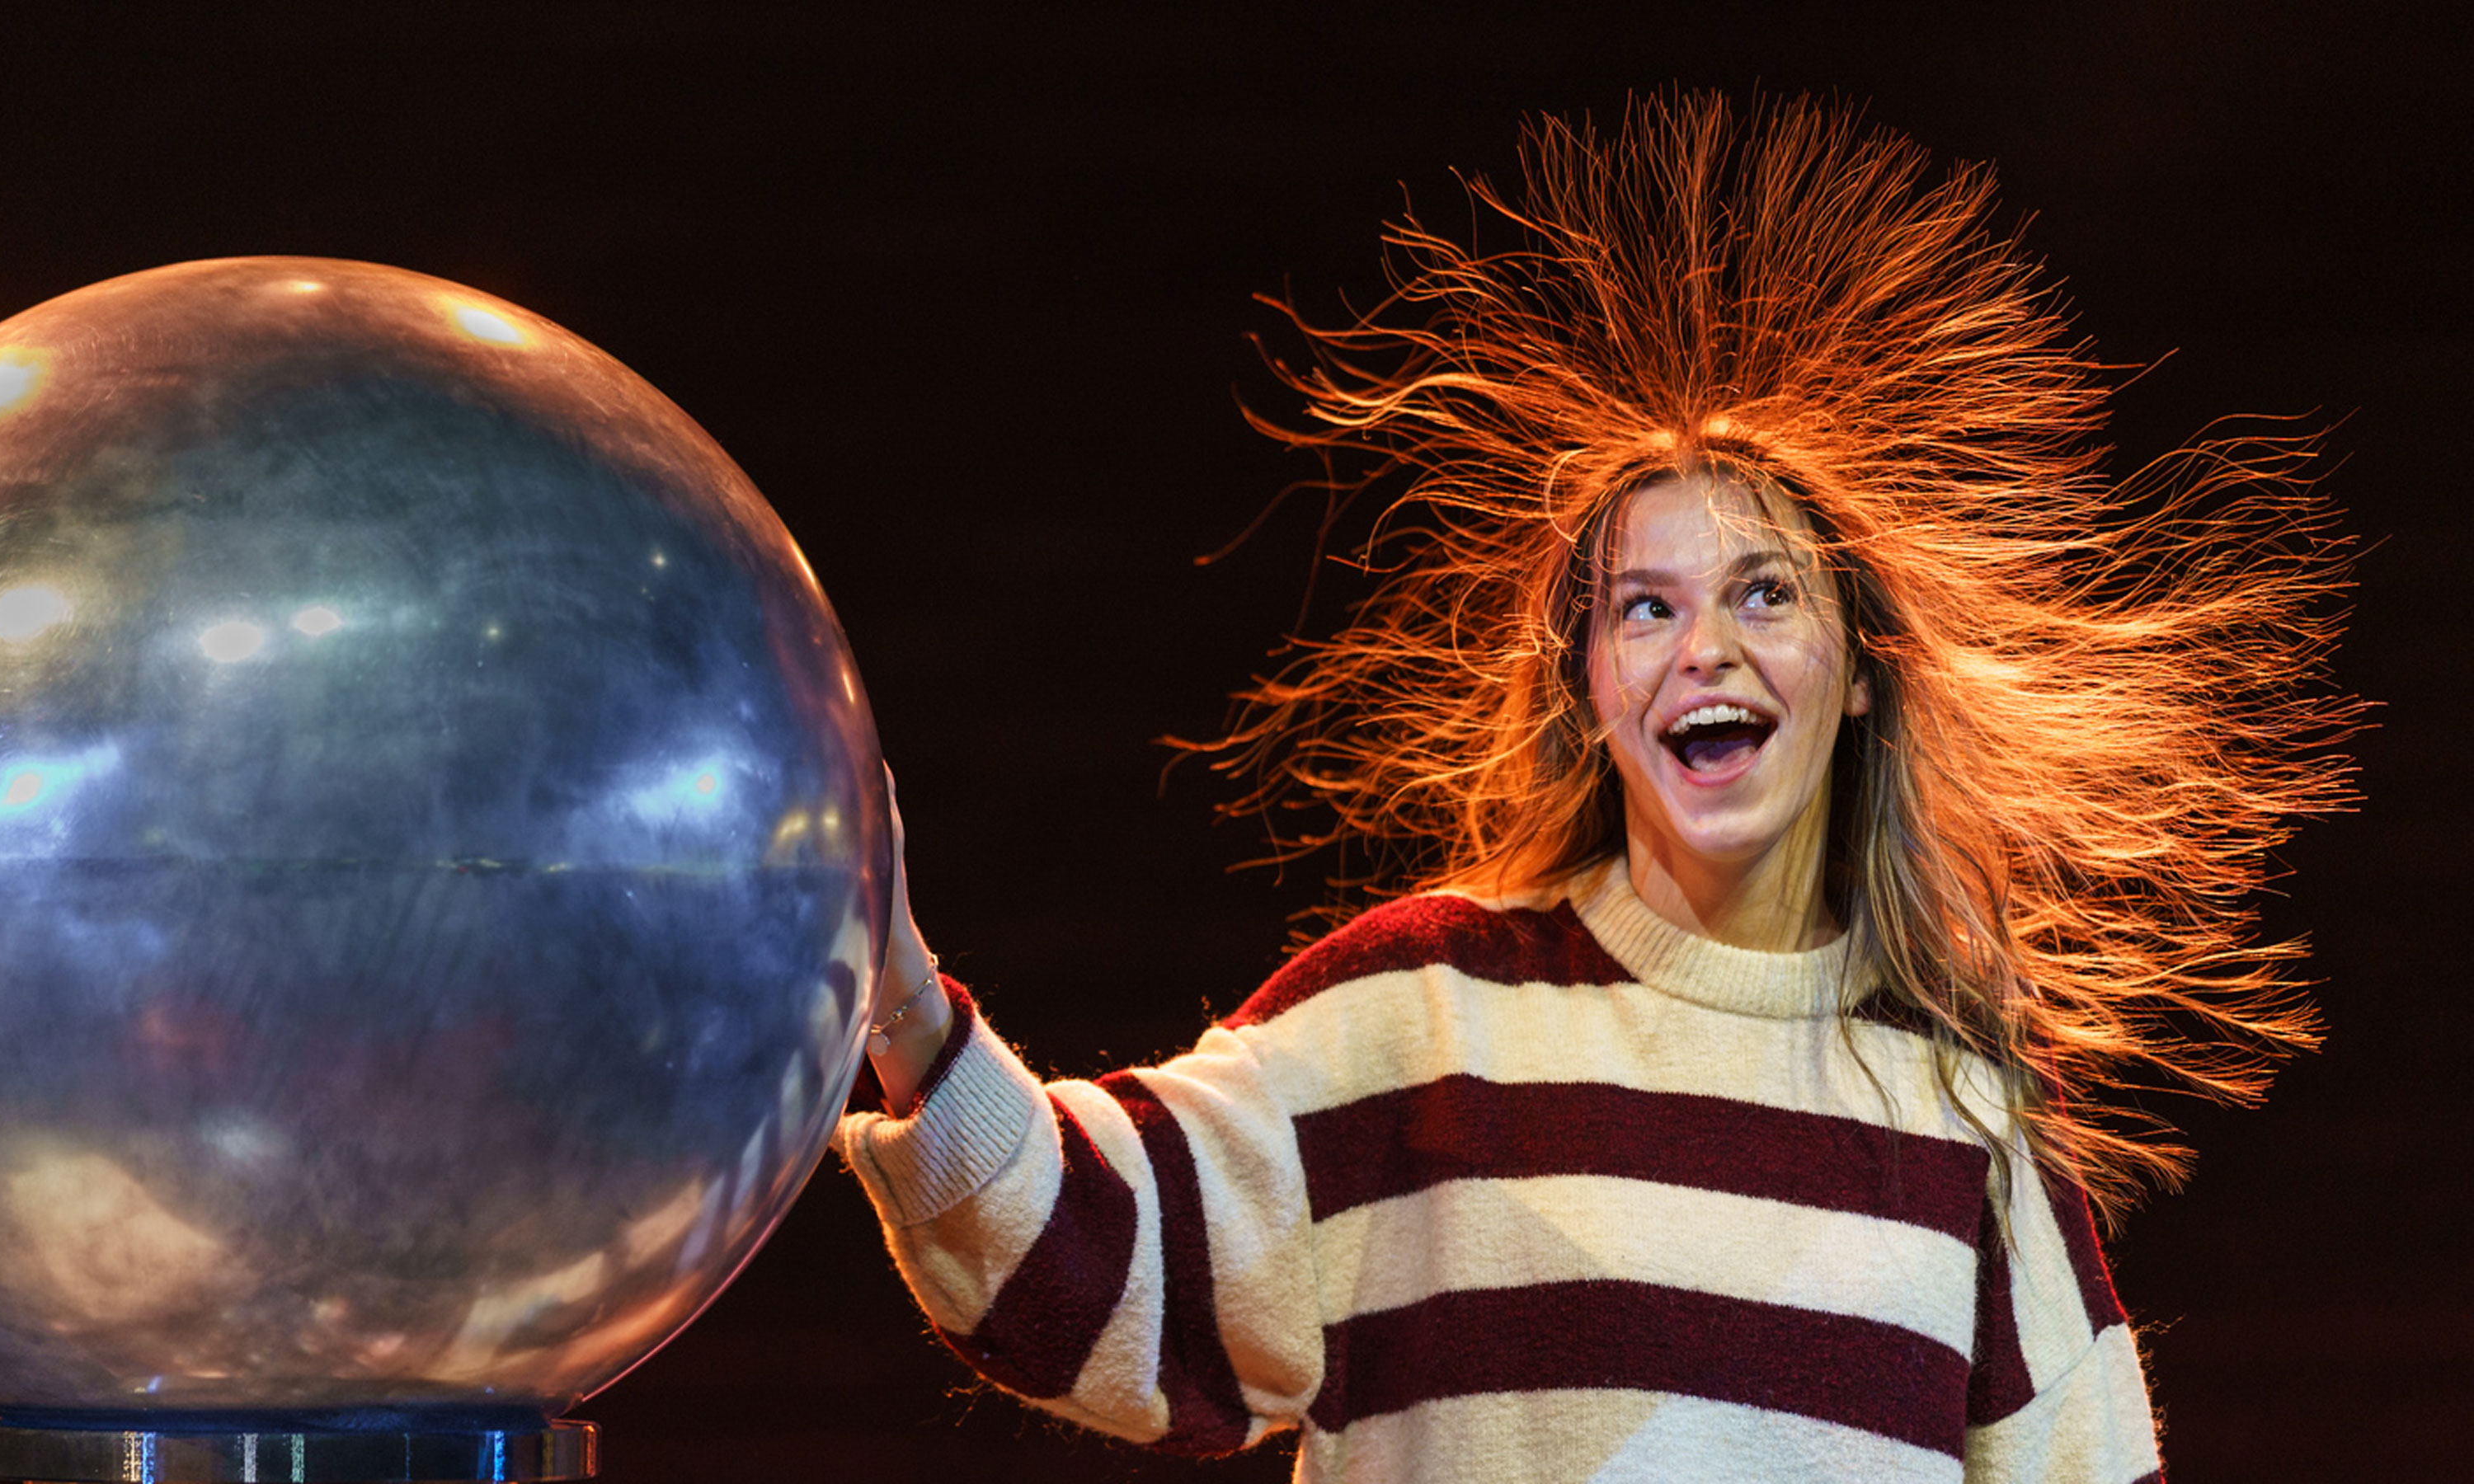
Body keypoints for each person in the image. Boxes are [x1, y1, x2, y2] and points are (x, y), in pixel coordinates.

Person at [834, 93, 2354, 1483]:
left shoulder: (1965, 1128)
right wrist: (901, 1007)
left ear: (1863, 669)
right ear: (1590, 696)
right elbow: (1103, 1257)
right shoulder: (1418, 1019)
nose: (1705, 647)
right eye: (1645, 608)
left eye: (1765, 595)